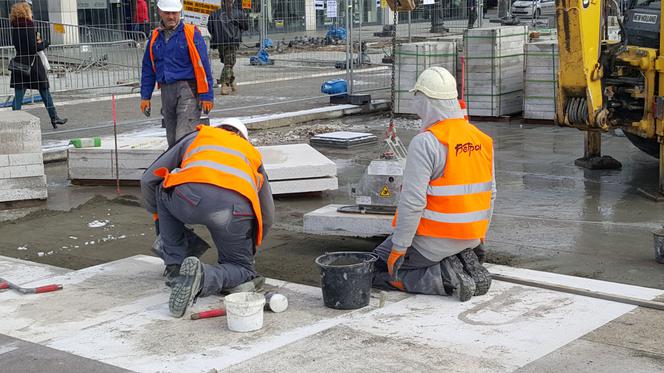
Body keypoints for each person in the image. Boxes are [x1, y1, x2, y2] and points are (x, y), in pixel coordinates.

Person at [372, 67, 496, 302]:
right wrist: (479, 237)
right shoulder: (482, 139)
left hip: (431, 242)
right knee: (389, 260)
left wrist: (399, 248)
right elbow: (491, 194)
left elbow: (413, 203)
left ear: (426, 101)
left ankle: (444, 276)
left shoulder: (426, 143)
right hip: (469, 237)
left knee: (375, 269)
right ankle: (457, 259)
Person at [141, 118, 275, 318]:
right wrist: (246, 247)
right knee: (242, 268)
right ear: (244, 138)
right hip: (236, 211)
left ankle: (175, 266)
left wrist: (160, 219)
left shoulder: (199, 136)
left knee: (162, 186)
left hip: (189, 198)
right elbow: (267, 216)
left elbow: (148, 179)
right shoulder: (251, 153)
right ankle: (204, 276)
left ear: (219, 128)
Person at [140, 0, 215, 147]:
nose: (171, 17)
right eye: (167, 13)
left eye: (174, 13)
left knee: (184, 136)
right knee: (172, 138)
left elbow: (204, 67)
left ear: (180, 13)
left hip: (188, 90)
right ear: (160, 12)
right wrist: (145, 96)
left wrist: (207, 95)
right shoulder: (155, 38)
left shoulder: (191, 34)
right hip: (167, 90)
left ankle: (187, 167)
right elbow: (148, 69)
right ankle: (178, 168)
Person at [9, 2, 67, 129]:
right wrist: (45, 43)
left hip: (19, 62)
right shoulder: (28, 26)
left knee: (19, 94)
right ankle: (54, 117)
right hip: (33, 63)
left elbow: (21, 46)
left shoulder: (14, 27)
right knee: (44, 90)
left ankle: (13, 120)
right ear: (26, 12)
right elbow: (33, 47)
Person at [207, 0, 249, 95]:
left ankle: (232, 81)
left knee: (228, 62)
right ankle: (225, 84)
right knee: (229, 64)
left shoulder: (214, 14)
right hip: (232, 41)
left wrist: (217, 36)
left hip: (220, 42)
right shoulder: (238, 13)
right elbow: (246, 26)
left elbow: (210, 27)